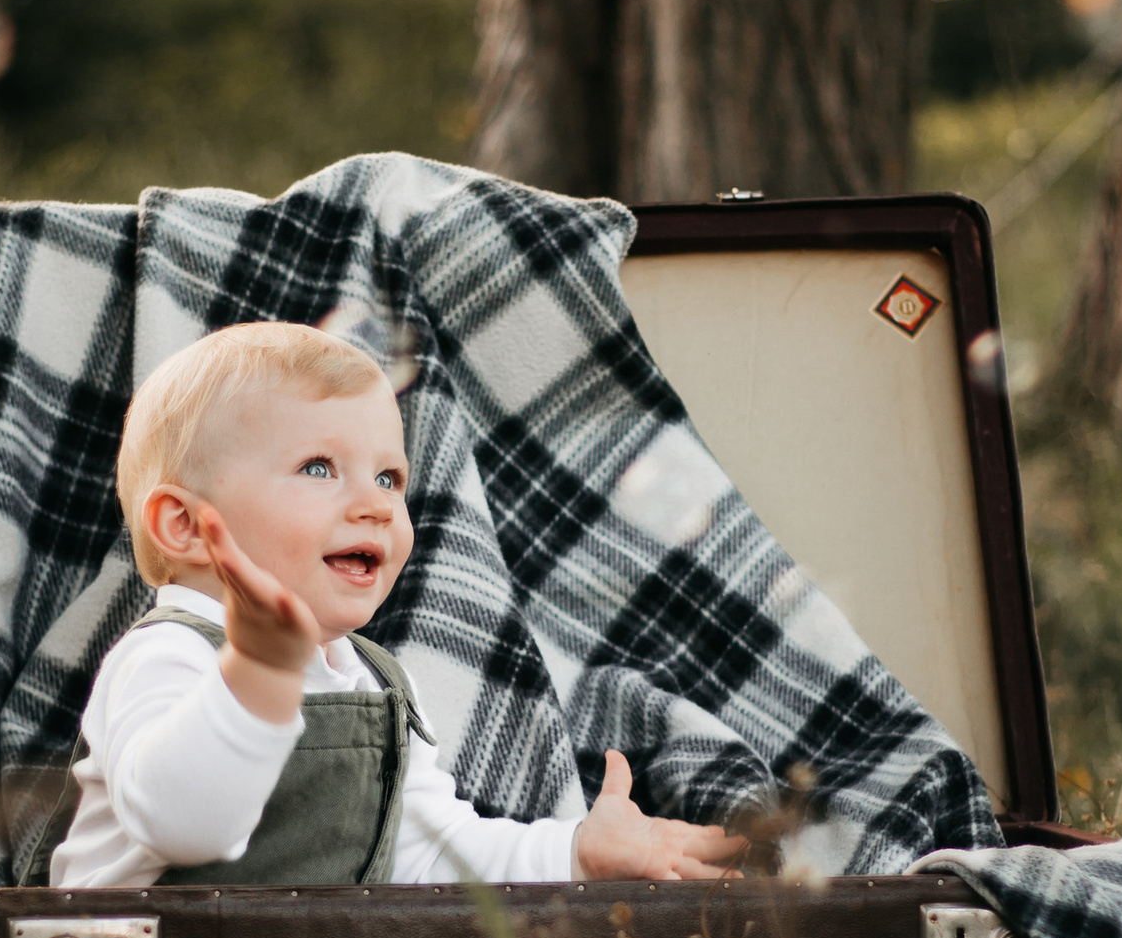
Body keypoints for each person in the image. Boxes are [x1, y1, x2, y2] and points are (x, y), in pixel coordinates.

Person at [51, 320, 743, 892]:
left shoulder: (372, 682)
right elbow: (184, 825)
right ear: (185, 526)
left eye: (390, 476)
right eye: (318, 468)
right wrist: (258, 671)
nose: (376, 504)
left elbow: (423, 854)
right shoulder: (165, 654)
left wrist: (575, 853)